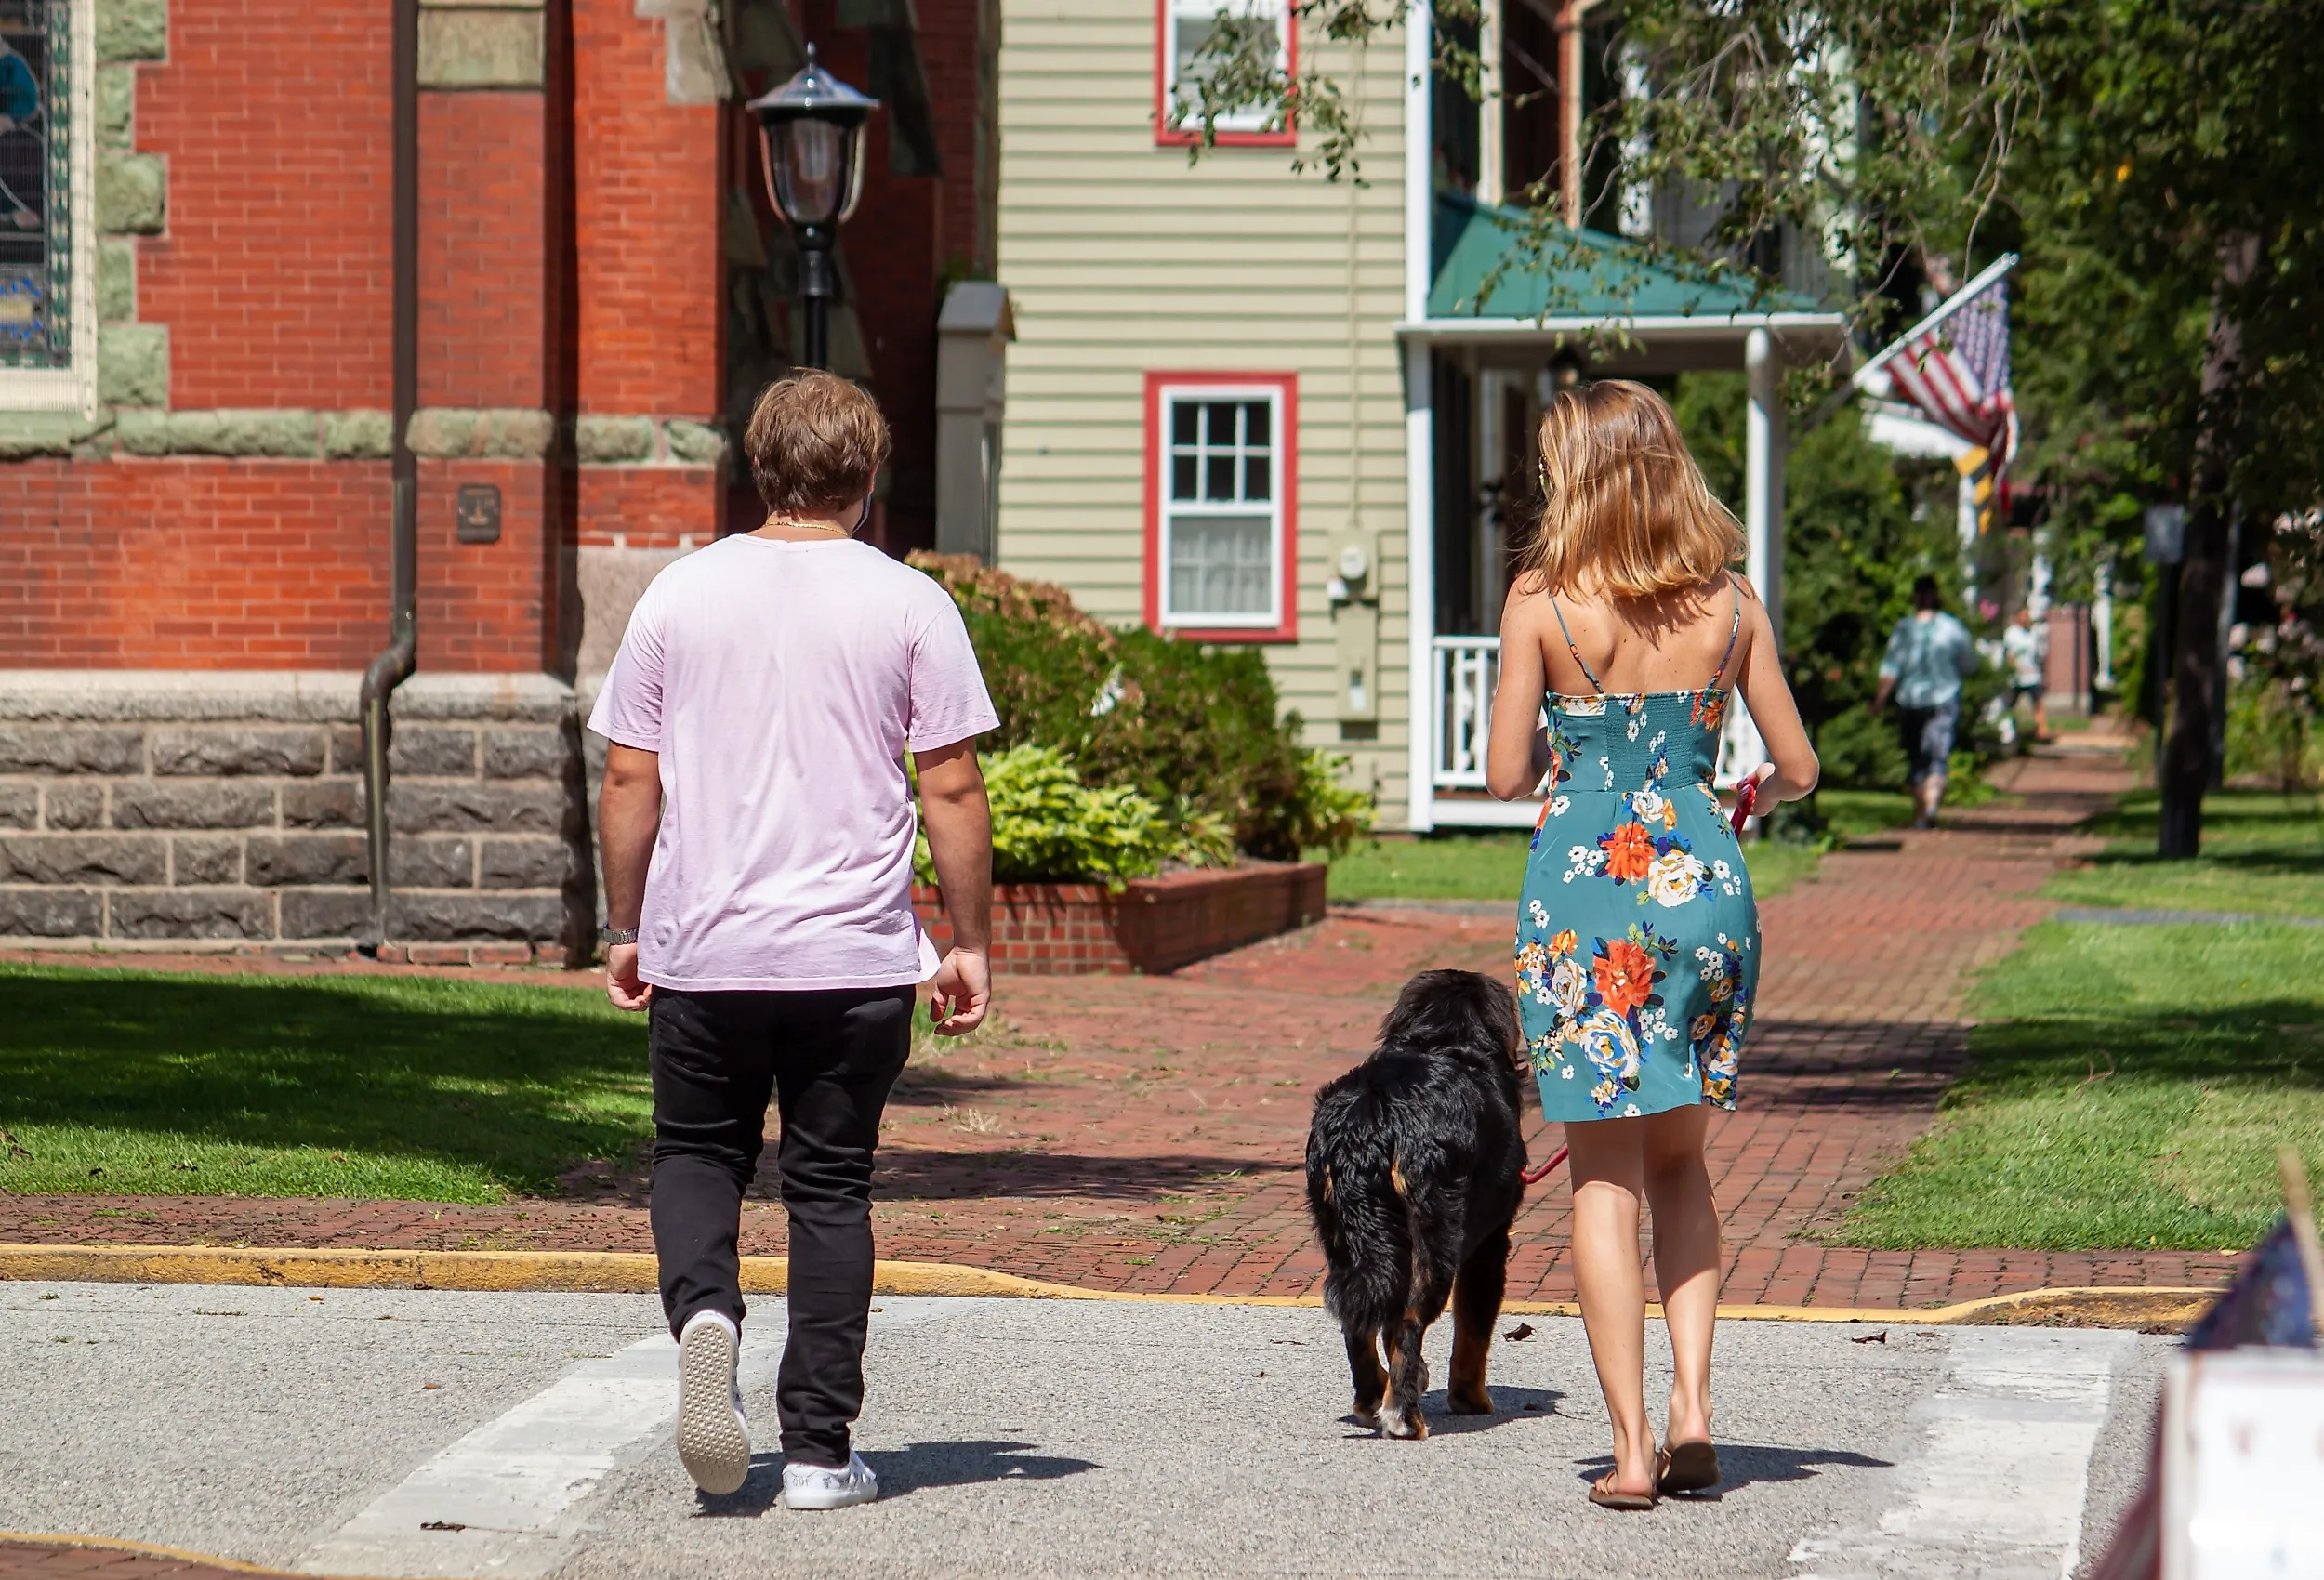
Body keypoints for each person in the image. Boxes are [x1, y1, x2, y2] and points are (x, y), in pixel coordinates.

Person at [589, 370, 997, 1510]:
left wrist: (626, 926)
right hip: (856, 959)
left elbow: (630, 772)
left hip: (708, 950)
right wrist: (968, 941)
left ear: (756, 471)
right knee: (829, 1187)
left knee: (696, 1153)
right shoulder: (909, 603)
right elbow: (952, 786)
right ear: (867, 482)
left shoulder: (679, 593)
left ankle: (706, 1310)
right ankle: (819, 1451)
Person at [1486, 380, 1817, 1510]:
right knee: (1680, 1162)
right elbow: (1800, 763)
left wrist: (1576, 750)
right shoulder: (1730, 604)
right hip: (1699, 881)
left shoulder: (1540, 598)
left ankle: (1628, 1450)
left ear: (1577, 473)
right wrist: (1737, 796)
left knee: (1600, 1176)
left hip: (1583, 891)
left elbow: (1503, 775)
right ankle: (1692, 1409)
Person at [1873, 575, 1980, 829]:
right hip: (1938, 698)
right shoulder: (1951, 628)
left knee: (1919, 758)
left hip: (1916, 699)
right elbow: (1970, 664)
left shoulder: (1905, 629)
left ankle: (1922, 813)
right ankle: (1930, 806)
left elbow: (1891, 667)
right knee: (1934, 756)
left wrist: (1879, 699)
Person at [2001, 605, 2050, 743]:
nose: (2026, 618)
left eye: (2027, 615)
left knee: (2037, 702)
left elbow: (2037, 655)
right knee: (2010, 704)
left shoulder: (2032, 634)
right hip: (2016, 677)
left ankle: (2042, 730)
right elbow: (2009, 655)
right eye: (2023, 615)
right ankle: (2009, 731)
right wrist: (2014, 668)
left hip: (2032, 676)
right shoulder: (2011, 633)